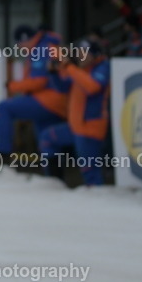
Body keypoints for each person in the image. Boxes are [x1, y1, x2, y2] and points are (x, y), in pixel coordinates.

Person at [38, 39, 111, 186]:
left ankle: (100, 203)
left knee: (90, 173)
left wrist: (69, 66)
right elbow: (63, 88)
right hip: (75, 126)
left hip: (90, 128)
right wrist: (54, 73)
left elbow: (92, 87)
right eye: (78, 53)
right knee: (47, 138)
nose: (80, 56)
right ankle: (56, 185)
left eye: (84, 53)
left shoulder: (103, 67)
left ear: (94, 55)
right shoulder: (80, 69)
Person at [0, 25, 68, 163]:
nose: (20, 48)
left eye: (19, 44)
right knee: (47, 141)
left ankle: (3, 154)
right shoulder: (47, 46)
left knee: (3, 108)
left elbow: (39, 82)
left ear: (24, 40)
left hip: (49, 101)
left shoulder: (41, 49)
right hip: (58, 102)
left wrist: (12, 86)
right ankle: (54, 175)